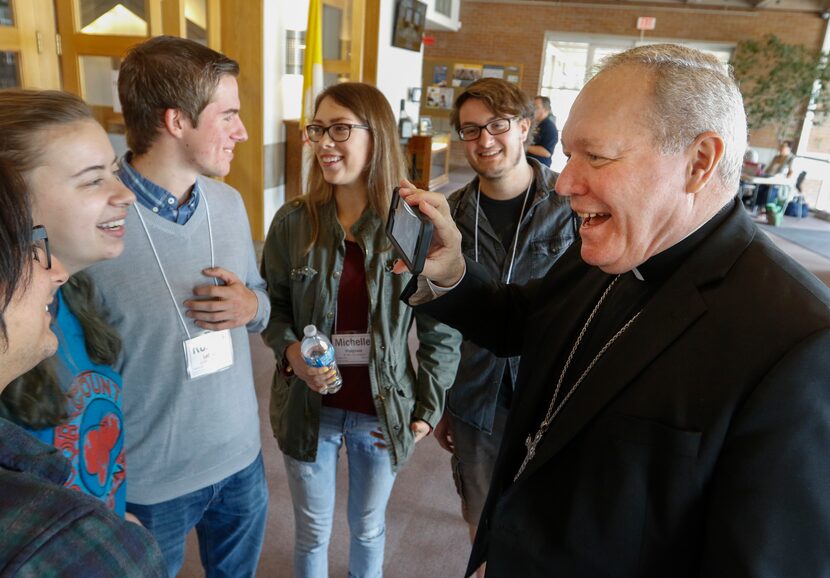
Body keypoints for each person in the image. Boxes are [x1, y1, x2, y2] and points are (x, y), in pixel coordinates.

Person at [400, 44, 830, 577]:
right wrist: (450, 271)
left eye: (596, 156)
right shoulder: (611, 250)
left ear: (699, 162)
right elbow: (524, 322)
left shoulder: (801, 344)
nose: (563, 183)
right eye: (570, 154)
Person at [86, 35, 270, 577]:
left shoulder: (230, 203)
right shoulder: (95, 223)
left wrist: (250, 306)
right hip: (146, 485)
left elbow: (262, 302)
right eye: (229, 116)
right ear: (175, 121)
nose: (243, 131)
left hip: (243, 464)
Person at [261, 82, 460, 578]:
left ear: (378, 138)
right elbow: (273, 308)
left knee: (369, 526)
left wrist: (427, 406)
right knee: (311, 529)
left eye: (341, 129)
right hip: (310, 408)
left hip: (381, 407)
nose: (325, 142)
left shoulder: (409, 225)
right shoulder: (293, 222)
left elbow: (440, 329)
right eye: (319, 130)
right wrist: (290, 352)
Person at [429, 77, 576, 574]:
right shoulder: (451, 215)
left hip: (553, 389)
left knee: (549, 519)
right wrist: (445, 397)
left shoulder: (571, 206)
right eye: (471, 130)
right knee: (482, 515)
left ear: (524, 126)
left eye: (497, 125)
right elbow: (442, 322)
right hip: (477, 394)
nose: (485, 140)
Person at [0, 160, 166, 576]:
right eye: (31, 244)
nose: (56, 271)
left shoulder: (82, 300)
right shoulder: (82, 548)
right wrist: (98, 533)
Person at [0, 89, 135, 518]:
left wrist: (114, 519)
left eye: (114, 171)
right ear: (12, 202)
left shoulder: (75, 294)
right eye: (93, 179)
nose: (126, 193)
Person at [754, 140, 796, 210]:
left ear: (789, 149)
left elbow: (790, 173)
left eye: (783, 146)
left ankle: (766, 210)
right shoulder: (776, 157)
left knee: (770, 189)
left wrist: (782, 179)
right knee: (760, 186)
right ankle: (759, 207)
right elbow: (767, 170)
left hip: (780, 182)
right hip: (768, 179)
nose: (780, 147)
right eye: (781, 146)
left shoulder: (791, 159)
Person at [525, 95, 558, 167]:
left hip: (539, 168)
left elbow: (546, 152)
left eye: (536, 107)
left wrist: (524, 145)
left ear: (545, 109)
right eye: (532, 106)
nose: (533, 110)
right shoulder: (534, 123)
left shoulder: (550, 128)